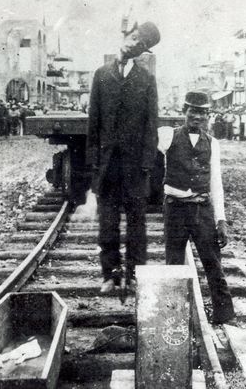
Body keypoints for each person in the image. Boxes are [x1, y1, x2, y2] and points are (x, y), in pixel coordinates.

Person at [86, 20, 160, 293]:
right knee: (108, 223)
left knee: (137, 224)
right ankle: (110, 275)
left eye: (142, 44)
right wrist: (94, 162)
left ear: (144, 51)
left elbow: (151, 125)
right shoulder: (101, 74)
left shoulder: (146, 79)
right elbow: (94, 122)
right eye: (134, 37)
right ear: (126, 34)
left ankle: (134, 274)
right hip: (107, 166)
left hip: (135, 167)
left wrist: (146, 164)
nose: (135, 44)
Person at [160, 91, 235, 324]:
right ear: (184, 111)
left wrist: (221, 220)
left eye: (203, 113)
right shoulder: (167, 135)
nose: (198, 117)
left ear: (208, 115)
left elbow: (216, 183)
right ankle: (173, 317)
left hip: (202, 209)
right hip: (175, 209)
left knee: (213, 262)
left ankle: (225, 315)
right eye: (193, 111)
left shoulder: (212, 143)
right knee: (173, 264)